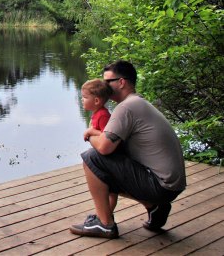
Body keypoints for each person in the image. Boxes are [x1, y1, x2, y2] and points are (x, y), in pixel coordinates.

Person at [69, 60, 186, 239]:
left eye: (107, 82)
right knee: (110, 165)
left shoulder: (126, 107)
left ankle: (104, 224)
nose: (103, 86)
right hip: (170, 185)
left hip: (161, 186)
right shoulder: (137, 103)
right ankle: (154, 206)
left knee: (92, 158)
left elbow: (104, 148)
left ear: (121, 82)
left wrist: (90, 133)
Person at [81, 79, 118, 214]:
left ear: (96, 101)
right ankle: (106, 215)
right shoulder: (97, 113)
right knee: (109, 190)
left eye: (85, 97)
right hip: (103, 157)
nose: (82, 100)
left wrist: (90, 132)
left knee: (111, 192)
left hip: (110, 158)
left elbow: (105, 135)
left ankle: (106, 216)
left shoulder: (103, 115)